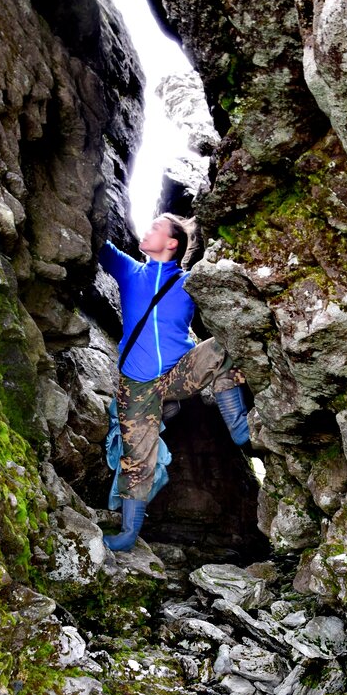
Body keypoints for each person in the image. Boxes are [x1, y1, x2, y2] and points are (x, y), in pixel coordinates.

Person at [99, 213, 249, 552]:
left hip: (177, 374)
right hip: (136, 386)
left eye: (156, 227)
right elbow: (97, 243)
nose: (147, 229)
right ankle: (127, 534)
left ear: (172, 243)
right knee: (137, 460)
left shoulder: (189, 283)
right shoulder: (129, 271)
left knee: (224, 345)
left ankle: (239, 427)